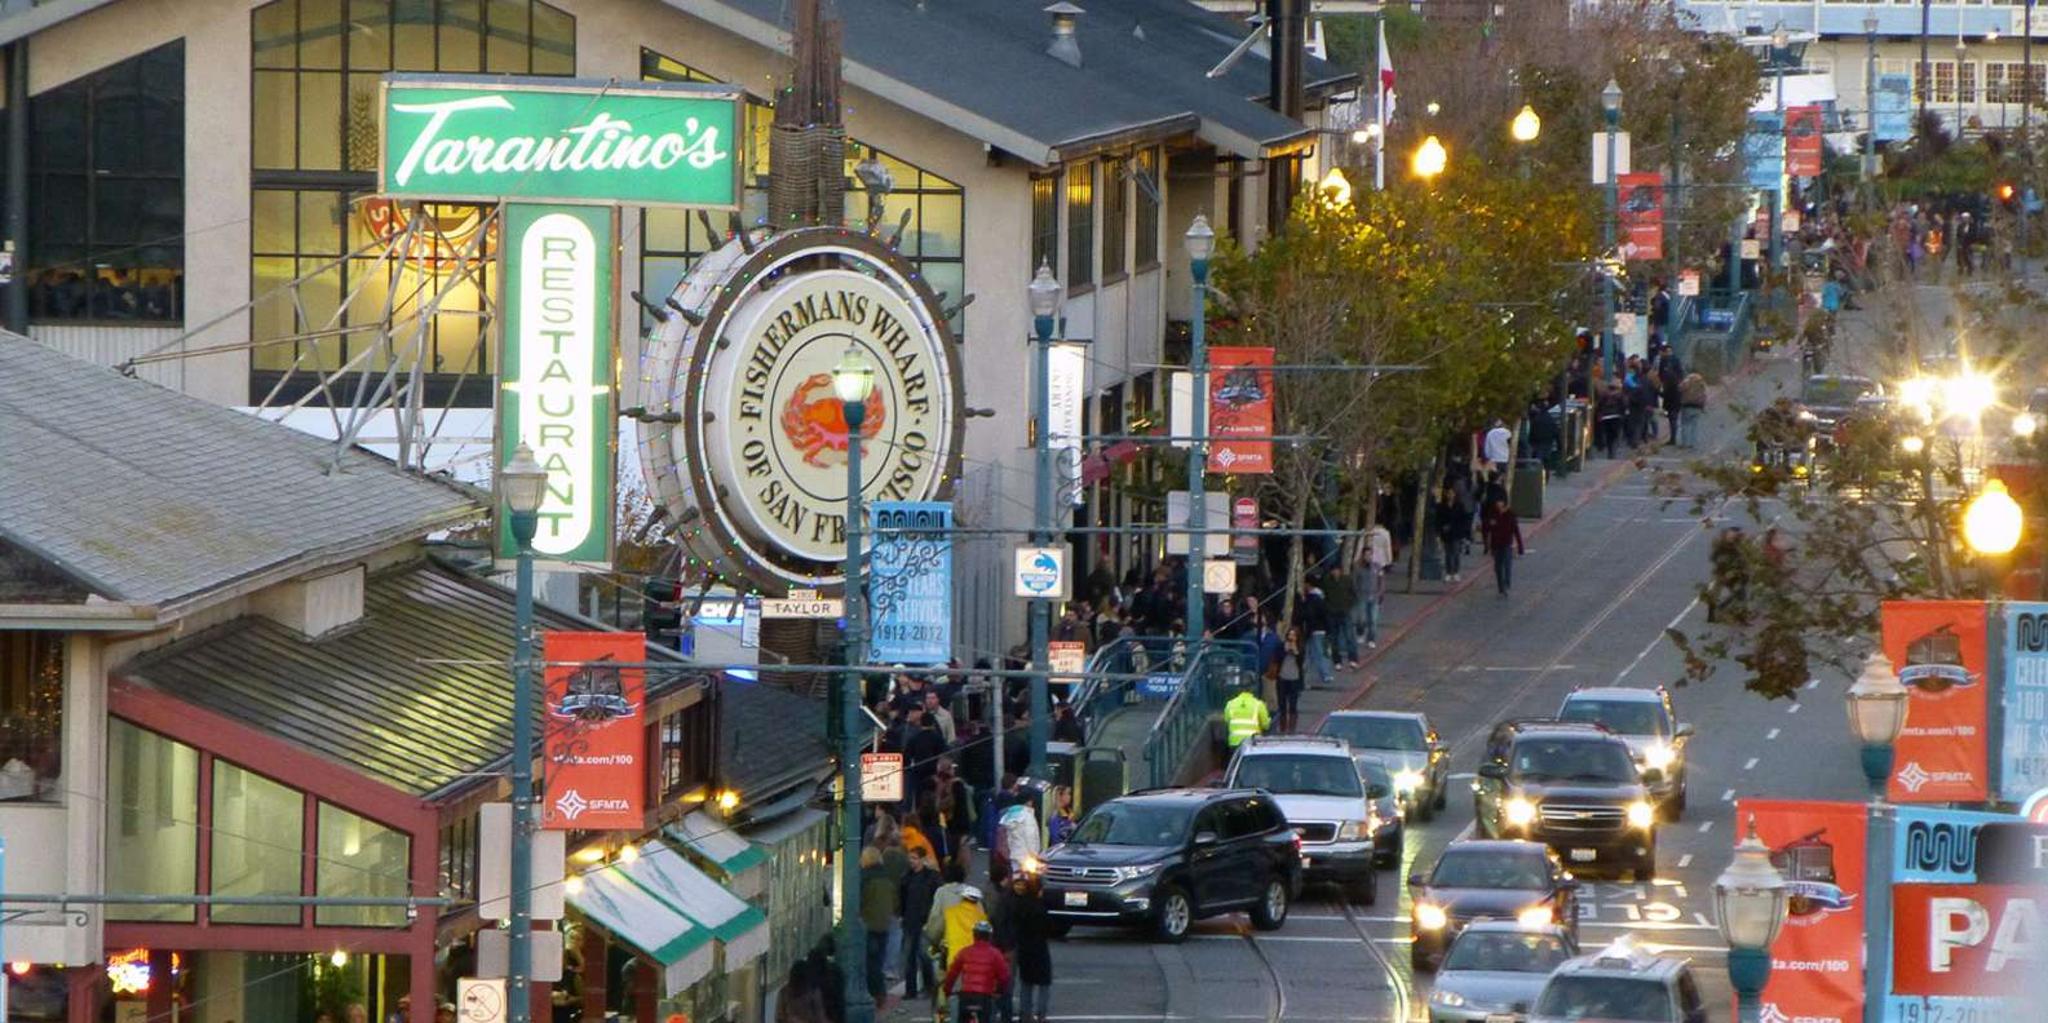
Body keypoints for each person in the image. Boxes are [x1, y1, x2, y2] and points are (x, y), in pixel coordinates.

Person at [1002, 872, 1055, 1023]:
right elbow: (1049, 928)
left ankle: (1025, 1014)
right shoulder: (1041, 907)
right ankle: (1041, 1015)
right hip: (1040, 948)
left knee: (1026, 982)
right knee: (1044, 982)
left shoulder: (1020, 905)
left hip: (1024, 947)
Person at [941, 920, 1012, 1023]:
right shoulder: (996, 954)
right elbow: (1004, 977)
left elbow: (952, 974)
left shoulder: (964, 952)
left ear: (974, 935)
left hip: (966, 997)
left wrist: (947, 990)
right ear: (990, 936)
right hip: (984, 997)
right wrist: (999, 991)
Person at [901, 848, 942, 1001]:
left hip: (925, 921)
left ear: (922, 860)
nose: (911, 861)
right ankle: (911, 990)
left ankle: (928, 986)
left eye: (914, 858)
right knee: (910, 957)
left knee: (924, 955)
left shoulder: (931, 877)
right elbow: (902, 897)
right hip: (910, 921)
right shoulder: (907, 877)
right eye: (910, 858)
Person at [860, 846, 896, 1009]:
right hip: (884, 924)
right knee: (878, 962)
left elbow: (861, 901)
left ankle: (875, 993)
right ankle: (880, 994)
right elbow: (895, 900)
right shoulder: (887, 878)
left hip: (869, 925)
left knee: (870, 963)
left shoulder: (865, 878)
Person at [1482, 496, 1525, 596]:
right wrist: (1487, 544)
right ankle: (1501, 587)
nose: (1498, 504)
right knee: (1498, 566)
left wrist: (1520, 546)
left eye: (1500, 502)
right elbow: (1486, 528)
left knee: (1506, 565)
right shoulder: (1493, 514)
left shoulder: (1510, 515)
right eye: (1497, 502)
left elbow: (1516, 531)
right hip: (1496, 544)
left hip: (1506, 543)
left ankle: (1506, 584)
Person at [1436, 485, 1471, 584]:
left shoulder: (1459, 505)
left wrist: (1463, 532)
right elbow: (1439, 519)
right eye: (1448, 493)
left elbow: (1464, 519)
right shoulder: (1442, 506)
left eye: (1452, 493)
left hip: (1456, 533)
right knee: (1448, 553)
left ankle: (1455, 572)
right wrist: (1441, 528)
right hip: (1446, 533)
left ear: (1455, 494)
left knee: (1455, 553)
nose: (1450, 495)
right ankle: (1448, 572)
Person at [1224, 676, 1272, 748]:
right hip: (1253, 742)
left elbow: (1227, 721)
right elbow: (1266, 726)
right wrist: (1269, 720)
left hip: (1234, 742)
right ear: (1253, 688)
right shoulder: (1259, 704)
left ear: (1238, 689)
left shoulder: (1230, 704)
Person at [1274, 629, 1306, 732]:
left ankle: (1292, 729)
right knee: (1282, 705)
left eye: (1294, 635)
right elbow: (1276, 658)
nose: (1291, 637)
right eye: (1290, 635)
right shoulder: (1282, 646)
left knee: (1293, 705)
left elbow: (1301, 662)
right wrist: (1285, 650)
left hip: (1294, 679)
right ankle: (1282, 728)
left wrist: (1296, 652)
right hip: (1282, 678)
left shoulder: (1300, 647)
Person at [1678, 371, 1707, 449]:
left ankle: (1685, 443)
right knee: (1695, 425)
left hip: (1687, 406)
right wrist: (1703, 406)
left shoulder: (1687, 381)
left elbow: (1680, 388)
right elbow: (1704, 396)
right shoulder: (1701, 384)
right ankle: (1693, 443)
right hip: (1698, 406)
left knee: (1685, 425)